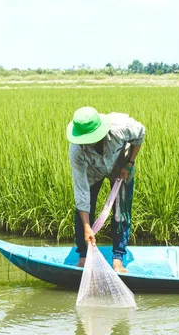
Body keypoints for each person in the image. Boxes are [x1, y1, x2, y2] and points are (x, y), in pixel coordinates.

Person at [66, 106, 145, 273]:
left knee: (120, 212)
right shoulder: (76, 150)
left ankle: (118, 259)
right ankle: (83, 256)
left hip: (120, 166)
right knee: (84, 212)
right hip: (92, 171)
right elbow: (81, 191)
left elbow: (140, 135)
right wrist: (87, 226)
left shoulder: (121, 128)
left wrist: (129, 163)